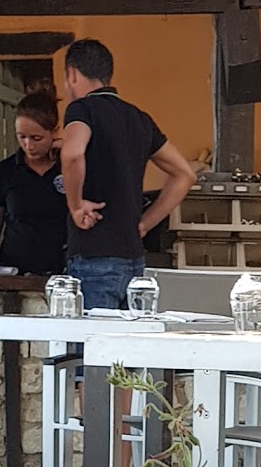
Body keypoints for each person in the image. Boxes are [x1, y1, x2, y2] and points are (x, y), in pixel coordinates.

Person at [58, 39, 195, 307]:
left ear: (72, 74)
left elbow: (72, 154)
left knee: (92, 334)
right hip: (134, 260)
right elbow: (185, 174)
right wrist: (145, 224)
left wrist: (75, 206)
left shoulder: (82, 110)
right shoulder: (139, 118)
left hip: (93, 254)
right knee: (129, 334)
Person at [0, 95, 67, 275]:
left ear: (54, 132)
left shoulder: (70, 168)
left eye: (36, 138)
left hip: (61, 272)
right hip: (14, 270)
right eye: (22, 137)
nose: (28, 145)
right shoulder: (4, 171)